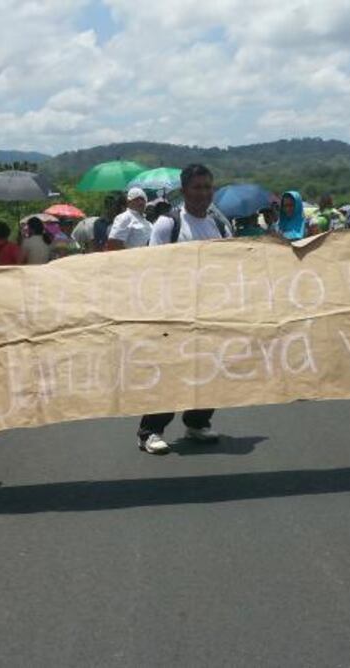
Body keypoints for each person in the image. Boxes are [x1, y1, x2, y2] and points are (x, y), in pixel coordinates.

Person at [138, 164, 230, 454]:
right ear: (185, 191)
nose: (203, 193)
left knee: (209, 367)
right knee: (171, 371)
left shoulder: (219, 225)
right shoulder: (169, 223)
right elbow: (153, 268)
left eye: (207, 187)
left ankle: (198, 421)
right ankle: (150, 431)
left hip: (212, 310)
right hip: (175, 311)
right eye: (197, 187)